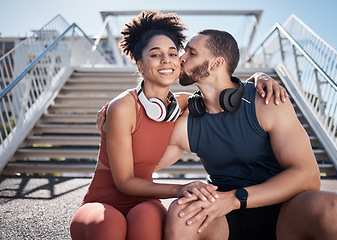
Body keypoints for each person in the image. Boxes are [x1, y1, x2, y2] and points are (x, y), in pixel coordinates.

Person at [70, 11, 287, 240]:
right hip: (105, 199)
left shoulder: (182, 103)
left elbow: (226, 88)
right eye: (155, 55)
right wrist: (179, 188)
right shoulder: (123, 106)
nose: (167, 60)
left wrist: (260, 77)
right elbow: (124, 182)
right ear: (140, 65)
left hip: (143, 201)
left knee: (147, 220)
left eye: (173, 53)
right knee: (109, 226)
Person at [158, 29, 337, 240]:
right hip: (223, 214)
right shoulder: (187, 121)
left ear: (217, 63)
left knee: (335, 207)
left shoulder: (267, 101)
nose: (181, 58)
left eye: (191, 53)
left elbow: (308, 176)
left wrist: (235, 199)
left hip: (283, 209)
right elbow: (139, 169)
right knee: (182, 214)